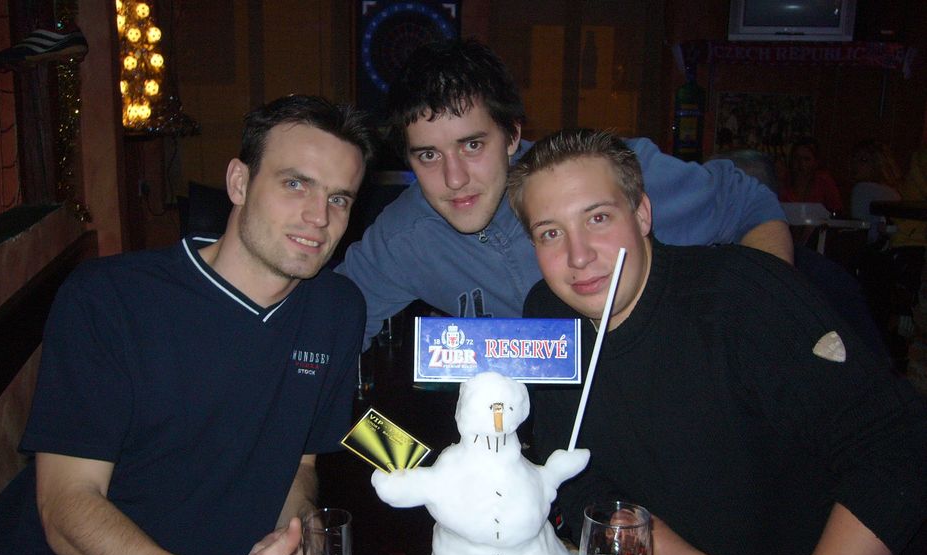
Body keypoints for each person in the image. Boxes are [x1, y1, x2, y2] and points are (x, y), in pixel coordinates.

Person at [508, 128, 927, 555]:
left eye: (598, 218)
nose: (578, 256)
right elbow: (584, 487)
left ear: (643, 213)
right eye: (550, 232)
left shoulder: (741, 295)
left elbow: (900, 451)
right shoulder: (549, 317)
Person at [0, 95, 374, 555]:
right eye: (295, 183)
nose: (317, 217)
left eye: (339, 198)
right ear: (239, 182)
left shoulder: (336, 311)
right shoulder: (112, 299)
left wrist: (291, 540)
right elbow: (65, 507)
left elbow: (299, 465)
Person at [336, 38, 792, 348]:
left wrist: (756, 333)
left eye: (472, 145)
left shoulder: (605, 174)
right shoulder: (404, 238)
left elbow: (748, 204)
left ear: (512, 136)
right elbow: (331, 323)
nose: (454, 179)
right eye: (428, 156)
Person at [848, 139, 903, 243]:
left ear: (877, 163)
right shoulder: (894, 192)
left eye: (863, 160)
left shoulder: (862, 189)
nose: (855, 164)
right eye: (854, 159)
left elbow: (860, 230)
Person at [779, 136, 843, 215]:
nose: (801, 163)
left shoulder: (824, 182)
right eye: (796, 158)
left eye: (806, 159)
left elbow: (837, 211)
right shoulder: (783, 180)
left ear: (816, 162)